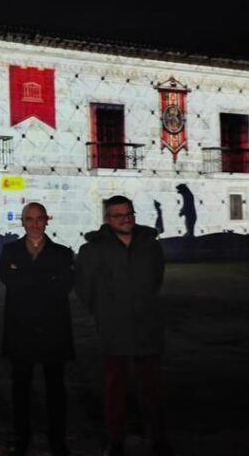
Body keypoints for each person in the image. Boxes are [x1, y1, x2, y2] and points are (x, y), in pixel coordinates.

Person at [75, 195, 174, 456]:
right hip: (114, 328)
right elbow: (85, 289)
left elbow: (156, 279)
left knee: (152, 388)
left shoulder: (150, 246)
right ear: (107, 219)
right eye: (119, 216)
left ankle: (158, 438)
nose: (125, 219)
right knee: (115, 388)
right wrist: (104, 313)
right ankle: (115, 440)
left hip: (146, 326)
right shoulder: (93, 249)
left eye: (129, 214)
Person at [0, 203, 74, 456]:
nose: (34, 224)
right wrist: (45, 279)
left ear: (46, 220)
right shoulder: (9, 251)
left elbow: (62, 287)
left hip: (53, 329)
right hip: (21, 329)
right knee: (20, 386)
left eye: (38, 219)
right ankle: (22, 435)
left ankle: (57, 437)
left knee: (55, 387)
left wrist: (26, 278)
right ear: (22, 221)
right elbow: (10, 282)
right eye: (29, 219)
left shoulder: (63, 253)